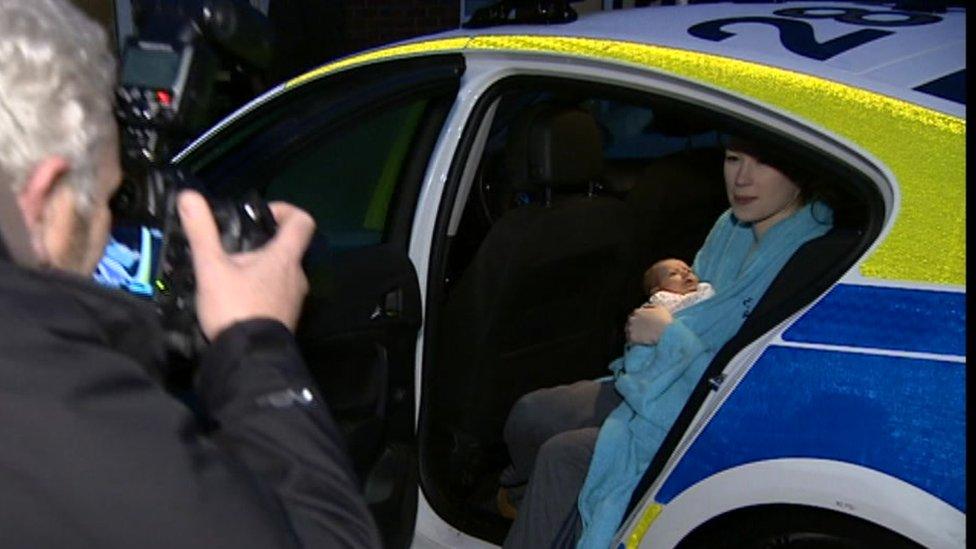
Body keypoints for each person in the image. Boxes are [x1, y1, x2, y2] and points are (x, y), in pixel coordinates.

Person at [0, 1, 380, 547]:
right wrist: (256, 344)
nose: (113, 224)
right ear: (43, 199)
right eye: (112, 197)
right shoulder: (89, 437)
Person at [500, 135, 834, 548]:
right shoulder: (730, 227)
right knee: (532, 413)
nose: (742, 178)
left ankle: (550, 515)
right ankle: (526, 499)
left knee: (562, 456)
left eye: (763, 164)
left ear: (799, 171)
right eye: (733, 159)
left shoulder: (808, 255)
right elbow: (694, 301)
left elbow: (746, 371)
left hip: (698, 409)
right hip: (660, 380)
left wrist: (667, 334)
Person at [642, 258, 715, 314]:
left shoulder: (703, 288)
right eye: (673, 273)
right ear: (657, 289)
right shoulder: (660, 297)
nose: (685, 273)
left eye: (689, 270)